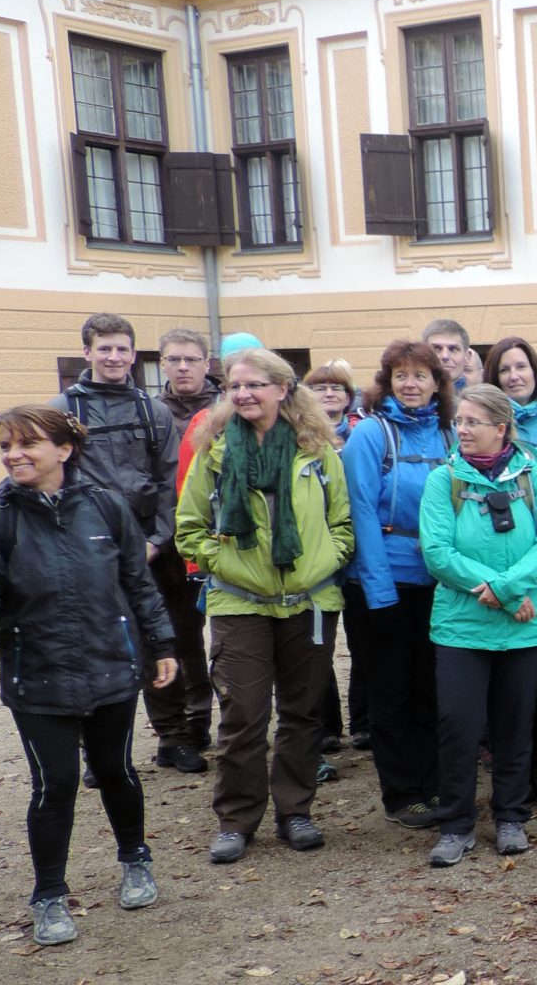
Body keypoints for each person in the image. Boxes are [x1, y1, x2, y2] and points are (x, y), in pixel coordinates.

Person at [0, 405, 179, 945]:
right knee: (56, 785)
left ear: (64, 450)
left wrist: (162, 641)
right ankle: (49, 895)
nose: (13, 454)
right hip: (38, 677)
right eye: (5, 445)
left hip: (110, 668)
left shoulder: (106, 508)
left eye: (26, 443)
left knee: (116, 770)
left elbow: (138, 584)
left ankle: (135, 859)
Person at [177, 348, 353, 864]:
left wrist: (326, 558)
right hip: (239, 603)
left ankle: (296, 810)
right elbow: (188, 529)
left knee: (302, 714)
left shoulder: (317, 449)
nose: (244, 394)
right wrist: (225, 563)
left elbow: (342, 523)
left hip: (311, 601)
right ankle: (237, 819)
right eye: (235, 386)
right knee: (244, 716)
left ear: (282, 390)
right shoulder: (214, 451)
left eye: (255, 385)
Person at [417, 385, 537, 865]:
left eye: (473, 422)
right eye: (459, 421)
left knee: (514, 724)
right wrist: (504, 594)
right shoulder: (445, 481)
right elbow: (438, 553)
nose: (461, 429)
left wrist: (506, 590)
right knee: (458, 725)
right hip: (464, 625)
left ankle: (511, 816)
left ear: (501, 428)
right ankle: (457, 825)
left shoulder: (532, 478)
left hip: (525, 624)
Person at [339, 340, 456, 830]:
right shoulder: (370, 436)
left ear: (437, 383)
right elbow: (361, 510)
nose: (411, 384)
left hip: (439, 582)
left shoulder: (450, 434)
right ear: (387, 383)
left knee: (432, 689)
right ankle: (402, 793)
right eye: (400, 376)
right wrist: (380, 588)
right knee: (391, 692)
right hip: (382, 581)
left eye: (420, 375)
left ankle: (435, 785)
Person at [49, 313, 178, 580]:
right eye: (104, 349)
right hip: (85, 540)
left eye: (122, 349)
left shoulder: (155, 412)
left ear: (133, 355)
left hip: (149, 543)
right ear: (87, 352)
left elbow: (170, 480)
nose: (114, 357)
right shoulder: (62, 411)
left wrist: (156, 541)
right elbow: (49, 480)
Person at [149, 327, 219, 772]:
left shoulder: (228, 407)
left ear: (206, 363)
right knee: (170, 637)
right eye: (173, 360)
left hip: (216, 540)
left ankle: (207, 719)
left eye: (191, 359)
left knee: (219, 640)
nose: (182, 367)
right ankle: (177, 730)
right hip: (163, 544)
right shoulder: (150, 412)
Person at [304, 358, 362, 779]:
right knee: (315, 646)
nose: (329, 394)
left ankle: (364, 721)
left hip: (353, 550)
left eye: (336, 388)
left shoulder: (363, 433)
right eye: (320, 387)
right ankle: (324, 727)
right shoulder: (301, 436)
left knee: (361, 643)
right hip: (313, 556)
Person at [484, 337, 537, 445]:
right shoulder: (484, 424)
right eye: (504, 370)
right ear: (495, 378)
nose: (514, 376)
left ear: (534, 371)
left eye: (521, 367)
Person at [422, 318, 471, 386]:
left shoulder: (482, 396)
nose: (445, 356)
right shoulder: (405, 395)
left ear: (467, 357)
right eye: (436, 349)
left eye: (453, 349)